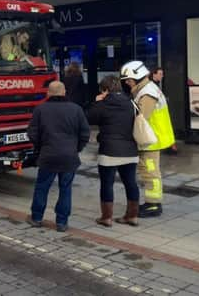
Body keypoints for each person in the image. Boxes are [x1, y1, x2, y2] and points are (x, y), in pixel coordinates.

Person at [26, 81, 90, 232]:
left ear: (48, 93)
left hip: (47, 155)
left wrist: (40, 147)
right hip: (69, 156)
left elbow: (32, 133)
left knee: (42, 187)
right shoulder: (76, 109)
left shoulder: (40, 109)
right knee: (65, 189)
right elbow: (85, 134)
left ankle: (36, 217)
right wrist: (76, 148)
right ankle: (62, 222)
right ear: (64, 92)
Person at [121, 61, 175, 218]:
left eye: (129, 79)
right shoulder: (146, 89)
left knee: (150, 172)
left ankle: (154, 204)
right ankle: (152, 201)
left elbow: (141, 118)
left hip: (151, 139)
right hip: (151, 137)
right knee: (148, 170)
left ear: (137, 77)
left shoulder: (147, 93)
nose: (127, 82)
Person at [87, 75, 139, 227]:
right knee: (131, 182)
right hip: (130, 149)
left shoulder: (103, 104)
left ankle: (107, 217)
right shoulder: (131, 102)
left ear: (105, 89)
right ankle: (132, 216)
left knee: (107, 184)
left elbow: (89, 118)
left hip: (109, 150)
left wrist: (96, 102)